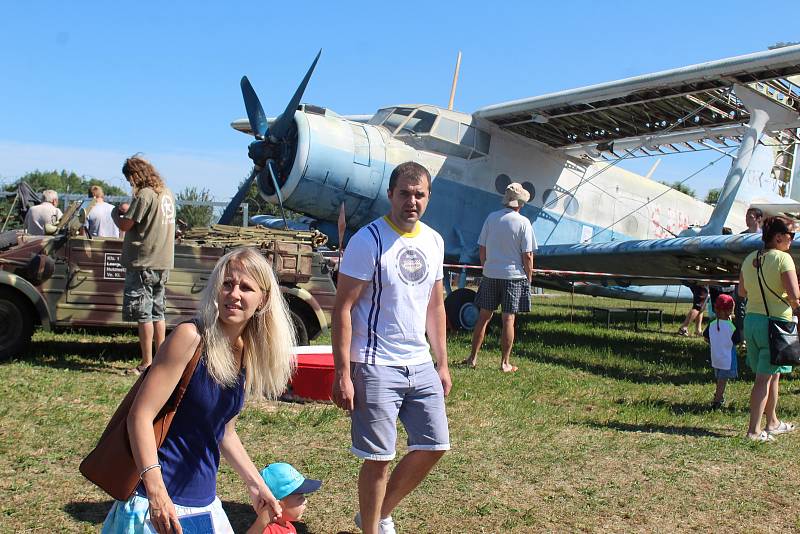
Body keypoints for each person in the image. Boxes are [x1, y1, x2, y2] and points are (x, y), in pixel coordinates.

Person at [101, 247, 296, 533]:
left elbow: (224, 432)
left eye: (246, 287)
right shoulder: (190, 337)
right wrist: (157, 492)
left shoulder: (244, 353)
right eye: (227, 284)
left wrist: (257, 485)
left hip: (204, 504)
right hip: (156, 505)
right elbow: (139, 416)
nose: (234, 294)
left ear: (263, 299)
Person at [332, 161, 451, 534]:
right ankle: (371, 528)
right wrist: (342, 373)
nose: (411, 202)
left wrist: (442, 363)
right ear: (390, 195)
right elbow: (343, 308)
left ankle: (377, 513)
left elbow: (435, 306)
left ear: (429, 197)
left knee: (435, 445)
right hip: (374, 364)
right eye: (404, 194)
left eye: (419, 195)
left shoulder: (433, 240)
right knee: (379, 458)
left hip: (419, 364)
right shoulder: (368, 240)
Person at [113, 156, 177, 375]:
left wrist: (116, 212)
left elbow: (125, 224)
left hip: (143, 262)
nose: (130, 184)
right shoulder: (166, 193)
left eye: (130, 179)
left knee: (144, 314)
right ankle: (160, 359)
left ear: (134, 175)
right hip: (163, 262)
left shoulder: (145, 195)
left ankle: (146, 362)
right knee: (159, 313)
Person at [462, 182, 535, 372]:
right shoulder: (524, 223)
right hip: (513, 276)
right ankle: (505, 363)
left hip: (491, 274)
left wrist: (486, 265)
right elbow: (527, 255)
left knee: (483, 317)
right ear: (520, 203)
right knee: (508, 319)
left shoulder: (491, 218)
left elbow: (482, 247)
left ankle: (472, 358)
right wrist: (529, 276)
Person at [738, 215, 799, 442]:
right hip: (775, 324)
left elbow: (742, 292)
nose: (792, 239)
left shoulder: (749, 258)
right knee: (763, 379)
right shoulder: (784, 259)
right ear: (778, 237)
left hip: (752, 321)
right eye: (791, 235)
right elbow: (794, 295)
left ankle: (772, 422)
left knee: (772, 376)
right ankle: (754, 431)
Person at [247, 463, 321, 534]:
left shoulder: (289, 526)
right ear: (276, 504)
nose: (305, 501)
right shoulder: (269, 530)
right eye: (299, 498)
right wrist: (262, 521)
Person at [702, 294, 740, 409]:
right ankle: (717, 401)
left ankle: (719, 397)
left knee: (719, 379)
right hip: (727, 359)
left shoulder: (712, 324)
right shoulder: (731, 326)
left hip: (715, 357)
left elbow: (706, 338)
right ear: (729, 310)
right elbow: (737, 341)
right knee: (722, 381)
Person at [735, 207, 763, 337]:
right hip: (745, 275)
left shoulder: (765, 237)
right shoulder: (742, 236)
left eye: (750, 217)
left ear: (758, 219)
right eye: (746, 216)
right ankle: (742, 335)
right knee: (740, 305)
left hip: (761, 275)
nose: (747, 219)